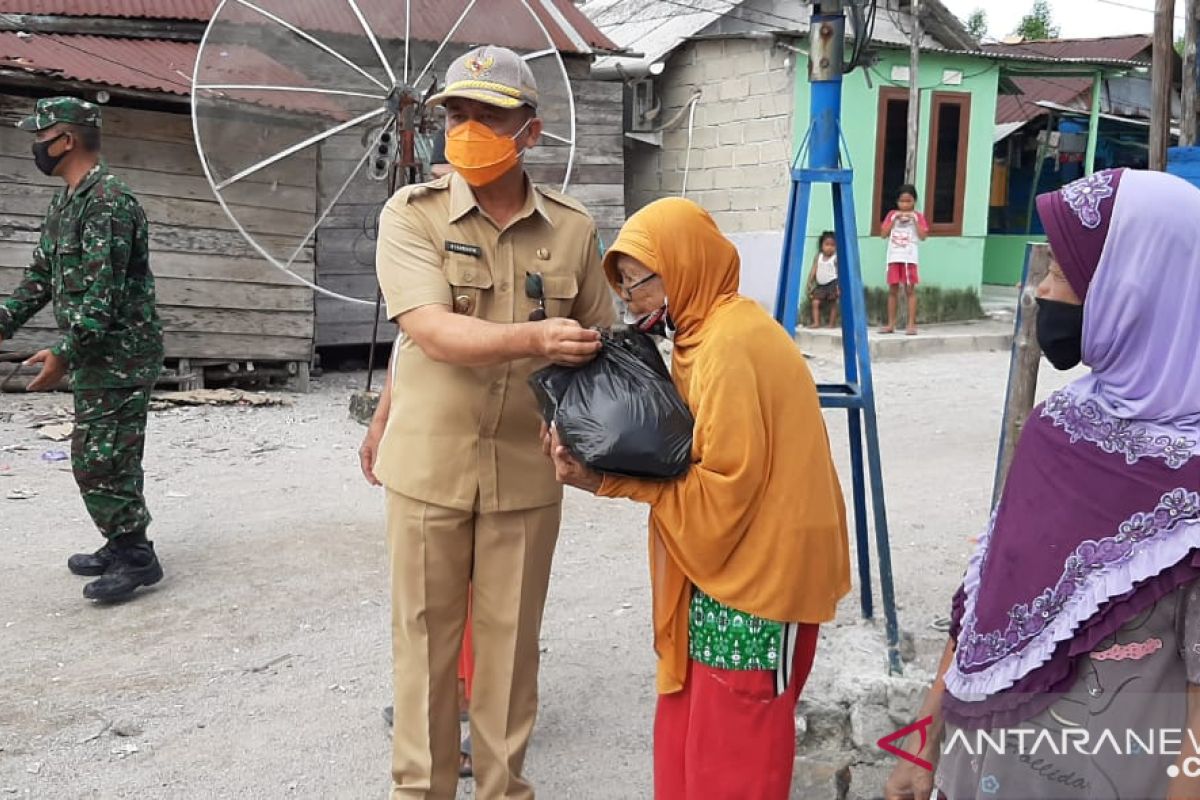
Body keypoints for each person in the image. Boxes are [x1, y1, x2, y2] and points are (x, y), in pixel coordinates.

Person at [883, 169, 1200, 800]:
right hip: (981, 771)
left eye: (1060, 271)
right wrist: (921, 740)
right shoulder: (1057, 428)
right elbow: (983, 602)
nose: (1039, 291)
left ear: (1133, 288)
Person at [372, 45, 616, 799]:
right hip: (429, 466)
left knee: (510, 655)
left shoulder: (572, 230)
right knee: (424, 650)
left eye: (489, 115)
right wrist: (387, 415)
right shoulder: (409, 215)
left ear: (530, 133)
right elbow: (431, 332)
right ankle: (423, 792)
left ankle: (504, 789)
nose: (468, 128)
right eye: (457, 113)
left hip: (525, 471)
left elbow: (602, 345)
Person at [547, 197, 851, 799]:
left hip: (759, 584)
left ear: (686, 265)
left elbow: (723, 493)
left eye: (638, 283)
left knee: (737, 756)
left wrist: (608, 479)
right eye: (625, 286)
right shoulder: (702, 336)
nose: (631, 300)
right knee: (698, 743)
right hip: (720, 581)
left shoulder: (731, 346)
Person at [0, 97, 164, 603]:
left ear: (65, 140)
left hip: (121, 354)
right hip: (97, 354)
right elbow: (42, 275)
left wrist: (63, 354)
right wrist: (4, 321)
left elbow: (104, 296)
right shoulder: (67, 201)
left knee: (101, 458)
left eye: (40, 136)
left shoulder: (109, 202)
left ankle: (137, 557)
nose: (35, 147)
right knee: (103, 456)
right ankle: (121, 542)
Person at [362, 343, 475, 779]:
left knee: (491, 587)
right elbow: (410, 338)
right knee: (434, 591)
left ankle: (486, 718)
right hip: (429, 437)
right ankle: (458, 694)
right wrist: (381, 419)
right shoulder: (408, 276)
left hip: (490, 430)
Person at [880, 184, 928, 336]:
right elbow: (883, 234)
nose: (905, 205)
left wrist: (915, 221)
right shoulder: (892, 214)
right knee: (893, 290)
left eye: (909, 201)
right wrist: (894, 220)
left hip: (909, 258)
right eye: (902, 201)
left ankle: (911, 324)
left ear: (914, 201)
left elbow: (923, 236)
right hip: (894, 256)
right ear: (897, 202)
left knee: (910, 290)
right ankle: (890, 324)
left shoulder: (918, 216)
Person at [806, 230, 840, 328]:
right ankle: (816, 322)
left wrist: (839, 286)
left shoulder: (835, 258)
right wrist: (810, 281)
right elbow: (814, 269)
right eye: (827, 244)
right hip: (820, 285)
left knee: (833, 304)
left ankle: (831, 323)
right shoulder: (819, 257)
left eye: (833, 245)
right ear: (822, 246)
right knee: (815, 302)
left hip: (832, 283)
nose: (829, 247)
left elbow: (839, 272)